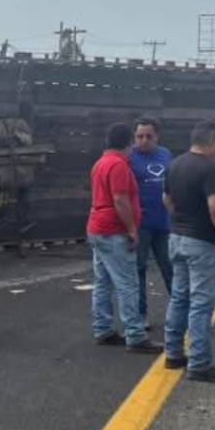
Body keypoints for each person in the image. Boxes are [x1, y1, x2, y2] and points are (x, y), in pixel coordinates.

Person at [163, 120, 215, 383]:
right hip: (202, 242)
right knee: (201, 303)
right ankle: (200, 363)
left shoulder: (175, 164)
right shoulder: (209, 167)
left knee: (179, 297)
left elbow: (167, 200)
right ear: (214, 142)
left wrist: (182, 219)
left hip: (177, 237)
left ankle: (172, 353)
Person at [87, 123, 163, 354]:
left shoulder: (100, 163)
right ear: (128, 143)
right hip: (114, 230)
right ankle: (135, 335)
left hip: (97, 227)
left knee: (102, 281)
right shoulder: (119, 165)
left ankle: (103, 329)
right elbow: (120, 199)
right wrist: (131, 228)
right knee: (127, 284)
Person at [129, 118, 174, 325]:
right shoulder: (129, 157)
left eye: (149, 136)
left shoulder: (165, 155)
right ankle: (140, 315)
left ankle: (181, 313)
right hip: (140, 224)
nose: (144, 140)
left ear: (157, 136)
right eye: (140, 136)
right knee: (138, 269)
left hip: (164, 223)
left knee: (171, 268)